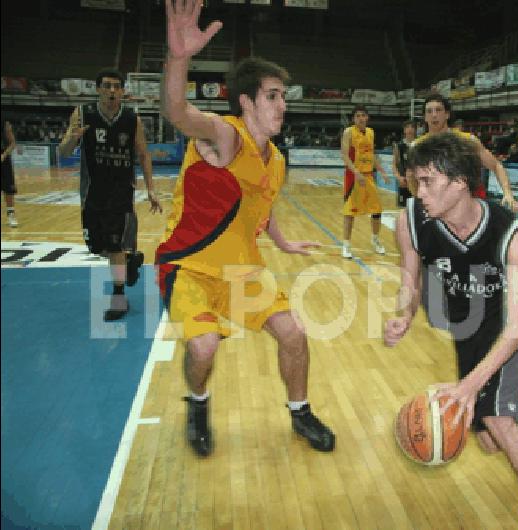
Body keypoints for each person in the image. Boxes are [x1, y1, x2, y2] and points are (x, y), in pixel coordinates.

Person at [384, 133, 518, 529]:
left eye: (427, 181)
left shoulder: (509, 232)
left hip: (505, 326)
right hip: (467, 328)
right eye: (416, 181)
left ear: (460, 182)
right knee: (489, 439)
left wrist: (469, 387)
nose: (418, 191)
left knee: (498, 421)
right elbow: (410, 282)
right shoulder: (411, 220)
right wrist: (404, 315)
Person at [157, 0, 335, 457]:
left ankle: (300, 412)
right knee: (204, 349)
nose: (282, 104)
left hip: (242, 274)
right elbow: (177, 111)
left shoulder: (275, 161)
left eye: (283, 96)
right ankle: (198, 402)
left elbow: (262, 207)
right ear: (246, 101)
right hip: (190, 268)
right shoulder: (225, 135)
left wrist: (282, 240)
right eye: (272, 95)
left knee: (294, 334)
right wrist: (179, 58)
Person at [58, 68, 162, 321]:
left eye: (117, 86)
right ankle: (130, 259)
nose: (112, 90)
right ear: (98, 89)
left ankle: (118, 298)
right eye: (107, 86)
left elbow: (143, 154)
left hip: (121, 192)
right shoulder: (83, 114)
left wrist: (151, 189)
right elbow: (63, 152)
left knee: (114, 244)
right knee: (99, 247)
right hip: (93, 192)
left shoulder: (131, 118)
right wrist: (73, 139)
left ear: (123, 90)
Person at [414, 94, 518, 213]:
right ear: (425, 117)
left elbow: (496, 165)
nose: (434, 115)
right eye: (429, 111)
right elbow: (411, 178)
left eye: (438, 110)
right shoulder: (417, 146)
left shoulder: (467, 140)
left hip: (468, 206)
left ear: (447, 114)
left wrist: (508, 193)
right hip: (436, 207)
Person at [340, 105, 389, 259]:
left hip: (368, 176)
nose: (361, 118)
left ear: (367, 117)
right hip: (354, 177)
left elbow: (372, 154)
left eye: (363, 115)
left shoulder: (371, 132)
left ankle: (375, 239)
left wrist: (381, 170)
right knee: (350, 213)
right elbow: (344, 156)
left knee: (377, 210)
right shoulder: (349, 132)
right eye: (358, 116)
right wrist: (356, 173)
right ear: (354, 119)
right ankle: (346, 245)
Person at [392, 119, 416, 207]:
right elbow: (394, 165)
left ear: (415, 130)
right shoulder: (399, 146)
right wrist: (399, 177)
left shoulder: (419, 144)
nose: (410, 129)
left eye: (412, 127)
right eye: (407, 127)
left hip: (417, 182)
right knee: (404, 210)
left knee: (417, 209)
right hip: (404, 182)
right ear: (404, 130)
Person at [1, 120, 18, 227]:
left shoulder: (5, 124)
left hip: (4, 161)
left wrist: (4, 154)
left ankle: (11, 215)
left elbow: (13, 143)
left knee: (8, 190)